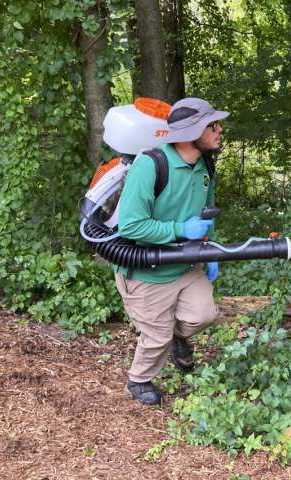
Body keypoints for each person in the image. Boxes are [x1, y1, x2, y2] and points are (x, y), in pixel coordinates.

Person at [113, 97, 228, 405]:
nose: (219, 129)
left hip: (186, 265)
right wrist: (180, 229)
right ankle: (138, 381)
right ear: (192, 132)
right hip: (147, 272)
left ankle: (178, 337)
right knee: (156, 338)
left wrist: (212, 251)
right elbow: (131, 227)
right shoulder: (151, 166)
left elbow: (207, 214)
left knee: (204, 315)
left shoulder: (204, 165)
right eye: (212, 125)